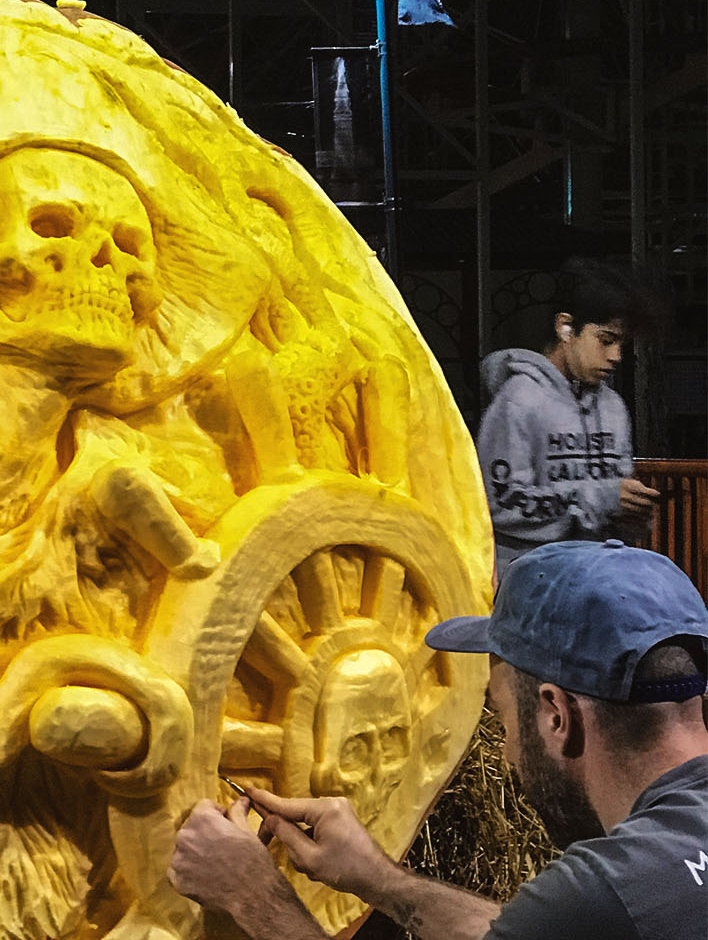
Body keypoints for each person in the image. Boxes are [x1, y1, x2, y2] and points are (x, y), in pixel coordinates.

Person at [168, 539, 708, 940]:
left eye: (500, 719)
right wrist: (379, 879)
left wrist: (252, 895)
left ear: (556, 716)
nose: (504, 753)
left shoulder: (606, 890)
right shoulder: (635, 886)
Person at [476, 258, 660, 578]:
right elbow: (499, 506)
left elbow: (610, 498)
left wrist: (632, 515)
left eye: (621, 344)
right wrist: (599, 498)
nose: (616, 356)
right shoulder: (518, 400)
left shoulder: (613, 407)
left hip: (598, 578)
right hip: (530, 584)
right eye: (605, 340)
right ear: (565, 328)